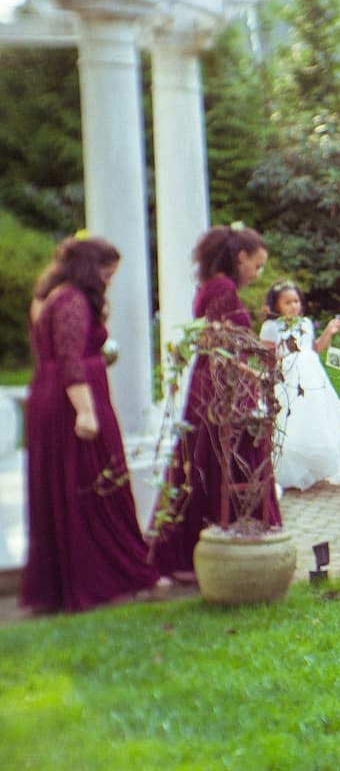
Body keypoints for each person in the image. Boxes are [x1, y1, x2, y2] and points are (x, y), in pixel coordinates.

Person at [21, 236, 162, 613]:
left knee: (75, 484)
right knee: (94, 483)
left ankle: (81, 575)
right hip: (73, 398)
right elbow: (69, 358)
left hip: (56, 395)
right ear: (89, 268)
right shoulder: (71, 300)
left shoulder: (51, 295)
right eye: (106, 272)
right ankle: (106, 574)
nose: (108, 280)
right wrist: (85, 410)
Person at [148, 224, 282, 582]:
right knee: (217, 461)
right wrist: (255, 373)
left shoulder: (212, 286)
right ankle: (214, 548)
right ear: (240, 257)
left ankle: (197, 552)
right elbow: (216, 344)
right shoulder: (223, 288)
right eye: (257, 264)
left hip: (214, 381)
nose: (258, 273)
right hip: (221, 385)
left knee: (207, 460)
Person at [259, 281, 340, 491]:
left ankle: (313, 468)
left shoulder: (305, 323)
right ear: (276, 306)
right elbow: (267, 356)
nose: (294, 306)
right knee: (289, 419)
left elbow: (314, 349)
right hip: (287, 377)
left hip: (312, 377)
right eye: (287, 302)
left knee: (314, 419)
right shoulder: (271, 327)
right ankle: (286, 470)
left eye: (296, 301)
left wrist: (329, 331)